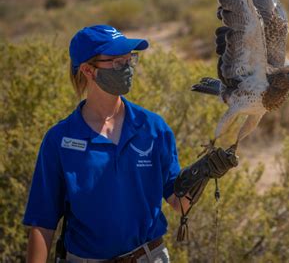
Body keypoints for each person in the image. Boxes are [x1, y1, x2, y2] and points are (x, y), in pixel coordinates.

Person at [23, 25, 238, 262]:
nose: (127, 68)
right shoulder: (60, 140)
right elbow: (42, 224)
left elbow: (179, 203)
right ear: (87, 70)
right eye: (117, 62)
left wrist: (204, 173)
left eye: (129, 60)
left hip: (148, 257)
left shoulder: (153, 128)